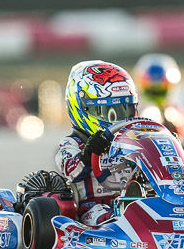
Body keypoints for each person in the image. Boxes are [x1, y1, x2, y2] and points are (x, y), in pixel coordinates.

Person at [55, 60, 138, 226]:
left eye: (126, 110)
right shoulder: (71, 144)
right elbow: (70, 170)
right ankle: (121, 220)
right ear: (83, 108)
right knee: (103, 214)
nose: (120, 120)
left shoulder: (134, 141)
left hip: (136, 200)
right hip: (93, 207)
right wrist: (87, 154)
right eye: (111, 113)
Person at [133, 53, 184, 139]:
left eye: (160, 89)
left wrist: (171, 120)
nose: (156, 92)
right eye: (153, 90)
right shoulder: (136, 109)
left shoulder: (175, 110)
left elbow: (183, 133)